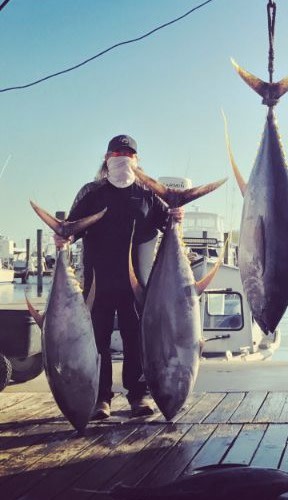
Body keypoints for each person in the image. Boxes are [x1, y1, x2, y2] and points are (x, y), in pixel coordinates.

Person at [55, 134, 183, 420]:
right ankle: (101, 398)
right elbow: (72, 229)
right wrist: (63, 237)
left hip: (138, 286)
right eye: (116, 153)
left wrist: (177, 215)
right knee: (96, 341)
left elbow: (168, 224)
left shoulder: (149, 194)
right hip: (97, 284)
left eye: (128, 153)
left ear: (137, 159)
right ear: (106, 158)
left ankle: (139, 396)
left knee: (137, 339)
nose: (122, 157)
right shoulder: (91, 192)